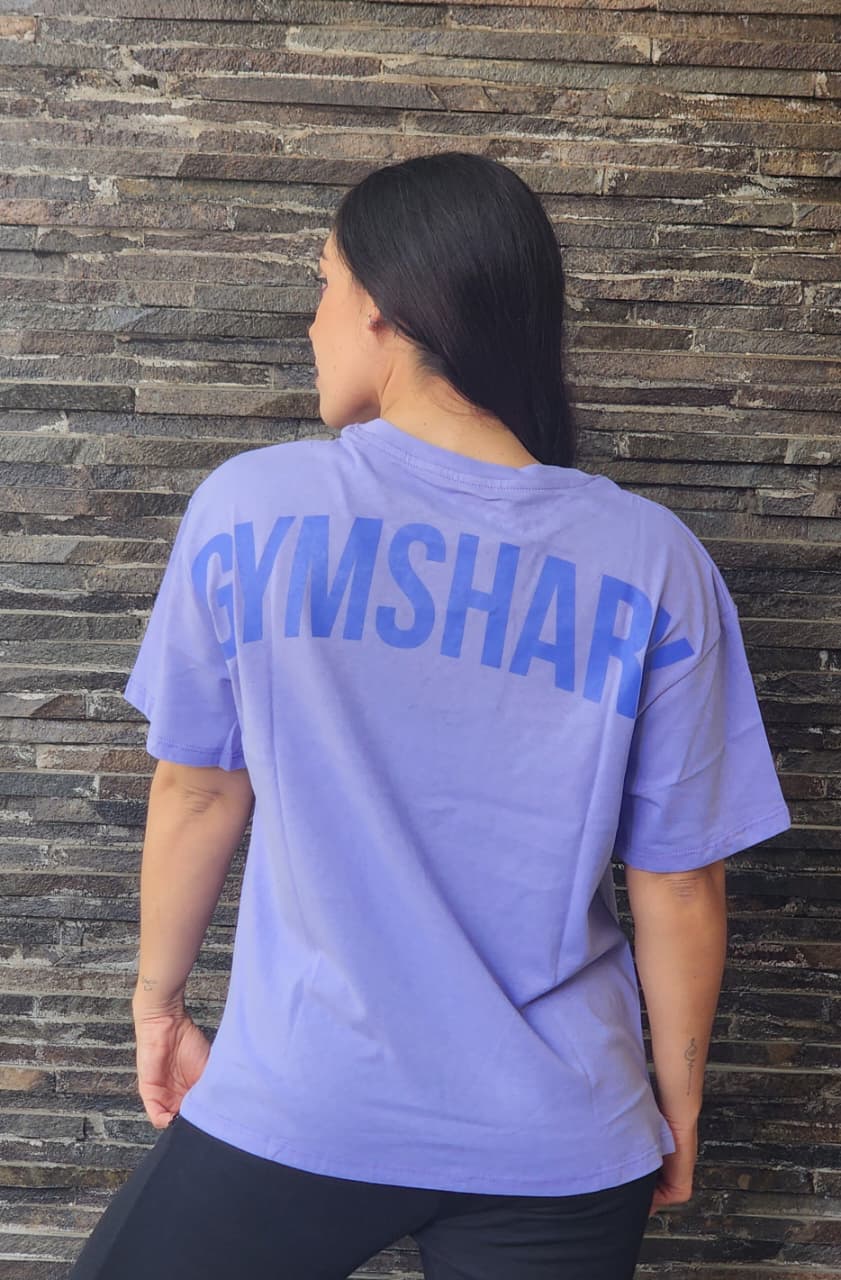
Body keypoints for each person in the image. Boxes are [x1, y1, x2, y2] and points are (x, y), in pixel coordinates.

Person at [68, 151, 792, 1280]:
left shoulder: (251, 508)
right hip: (563, 1125)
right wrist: (675, 1099)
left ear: (381, 307)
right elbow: (679, 881)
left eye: (321, 286)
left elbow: (199, 789)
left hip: (308, 1094)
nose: (311, 323)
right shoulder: (654, 561)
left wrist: (158, 1006)